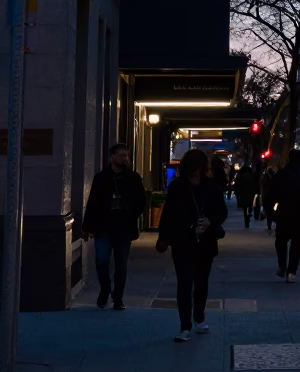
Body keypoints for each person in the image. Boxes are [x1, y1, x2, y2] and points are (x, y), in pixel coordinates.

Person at [155, 148, 228, 342]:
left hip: (204, 241)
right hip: (183, 241)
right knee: (185, 283)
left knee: (201, 283)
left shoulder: (211, 187)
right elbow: (169, 214)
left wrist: (210, 222)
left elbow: (221, 211)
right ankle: (186, 325)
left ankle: (198, 317)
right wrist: (164, 236)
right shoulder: (178, 186)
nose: (194, 173)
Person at [81, 143, 147, 310]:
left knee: (121, 264)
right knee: (101, 261)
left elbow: (141, 202)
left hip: (124, 227)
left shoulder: (133, 178)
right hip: (103, 227)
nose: (125, 158)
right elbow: (93, 202)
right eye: (122, 155)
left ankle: (118, 298)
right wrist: (88, 226)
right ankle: (105, 288)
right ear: (113, 157)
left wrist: (131, 214)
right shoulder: (101, 178)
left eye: (127, 155)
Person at [269, 149, 300, 283]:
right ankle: (292, 271)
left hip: (284, 213)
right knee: (296, 244)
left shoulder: (281, 174)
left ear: (289, 159)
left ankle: (282, 265)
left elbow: (272, 194)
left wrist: (270, 212)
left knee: (280, 241)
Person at [235, 163, 257, 228]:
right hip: (251, 192)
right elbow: (255, 184)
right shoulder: (252, 175)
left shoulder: (240, 176)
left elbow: (237, 184)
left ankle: (246, 219)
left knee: (244, 207)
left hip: (243, 192)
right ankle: (249, 212)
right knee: (250, 203)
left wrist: (237, 193)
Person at [259, 163, 276, 234]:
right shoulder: (274, 177)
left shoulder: (264, 177)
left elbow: (261, 186)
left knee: (269, 211)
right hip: (271, 197)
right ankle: (270, 223)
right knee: (270, 211)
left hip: (268, 197)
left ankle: (269, 223)